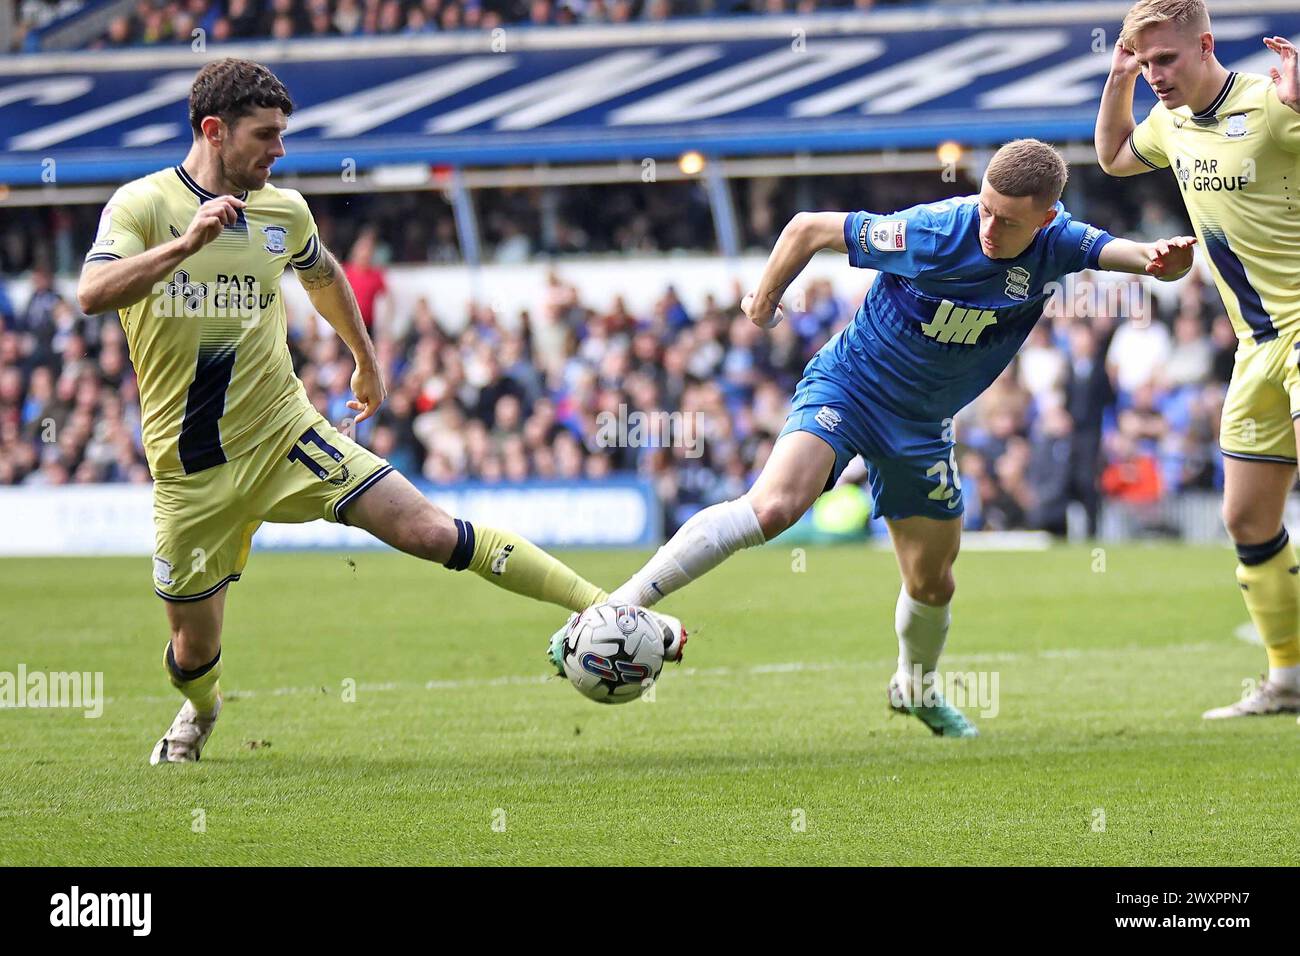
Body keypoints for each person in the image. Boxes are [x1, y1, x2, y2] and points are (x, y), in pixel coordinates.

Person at [76, 58, 682, 764]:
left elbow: (323, 273)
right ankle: (201, 710)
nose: (279, 151)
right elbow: (92, 293)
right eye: (265, 136)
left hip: (286, 437)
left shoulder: (283, 210)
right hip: (191, 476)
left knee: (430, 531)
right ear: (214, 131)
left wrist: (363, 356)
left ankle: (608, 607)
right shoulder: (142, 207)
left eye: (282, 136)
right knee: (191, 650)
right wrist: (184, 248)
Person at [569, 138, 1196, 737]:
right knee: (776, 506)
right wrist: (763, 299)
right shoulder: (933, 231)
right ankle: (616, 607)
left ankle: (914, 689)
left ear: (1047, 217)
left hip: (922, 427)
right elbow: (807, 228)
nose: (988, 227)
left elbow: (1136, 257)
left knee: (933, 582)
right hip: (851, 385)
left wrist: (1163, 261)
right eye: (984, 208)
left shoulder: (1058, 244)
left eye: (1007, 221)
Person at [1095, 0, 1300, 718]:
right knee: (1246, 519)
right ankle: (1289, 680)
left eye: (1165, 60)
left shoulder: (1273, 104)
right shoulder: (1168, 119)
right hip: (1256, 345)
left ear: (1206, 44)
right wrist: (1117, 78)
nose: (1155, 74)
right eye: (1143, 61)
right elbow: (1115, 157)